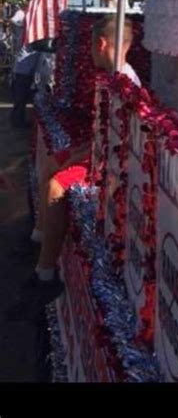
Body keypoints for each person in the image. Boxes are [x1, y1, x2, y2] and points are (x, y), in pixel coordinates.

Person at [12, 17, 141, 312]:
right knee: (52, 164)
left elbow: (119, 141)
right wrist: (76, 153)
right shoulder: (114, 76)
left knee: (57, 185)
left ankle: (45, 275)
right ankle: (39, 237)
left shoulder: (123, 82)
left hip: (113, 159)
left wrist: (82, 156)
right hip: (102, 148)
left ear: (101, 43)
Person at [10, 43, 40, 127]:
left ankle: (17, 120)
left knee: (20, 99)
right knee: (20, 99)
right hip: (23, 72)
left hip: (22, 71)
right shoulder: (33, 40)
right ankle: (18, 122)